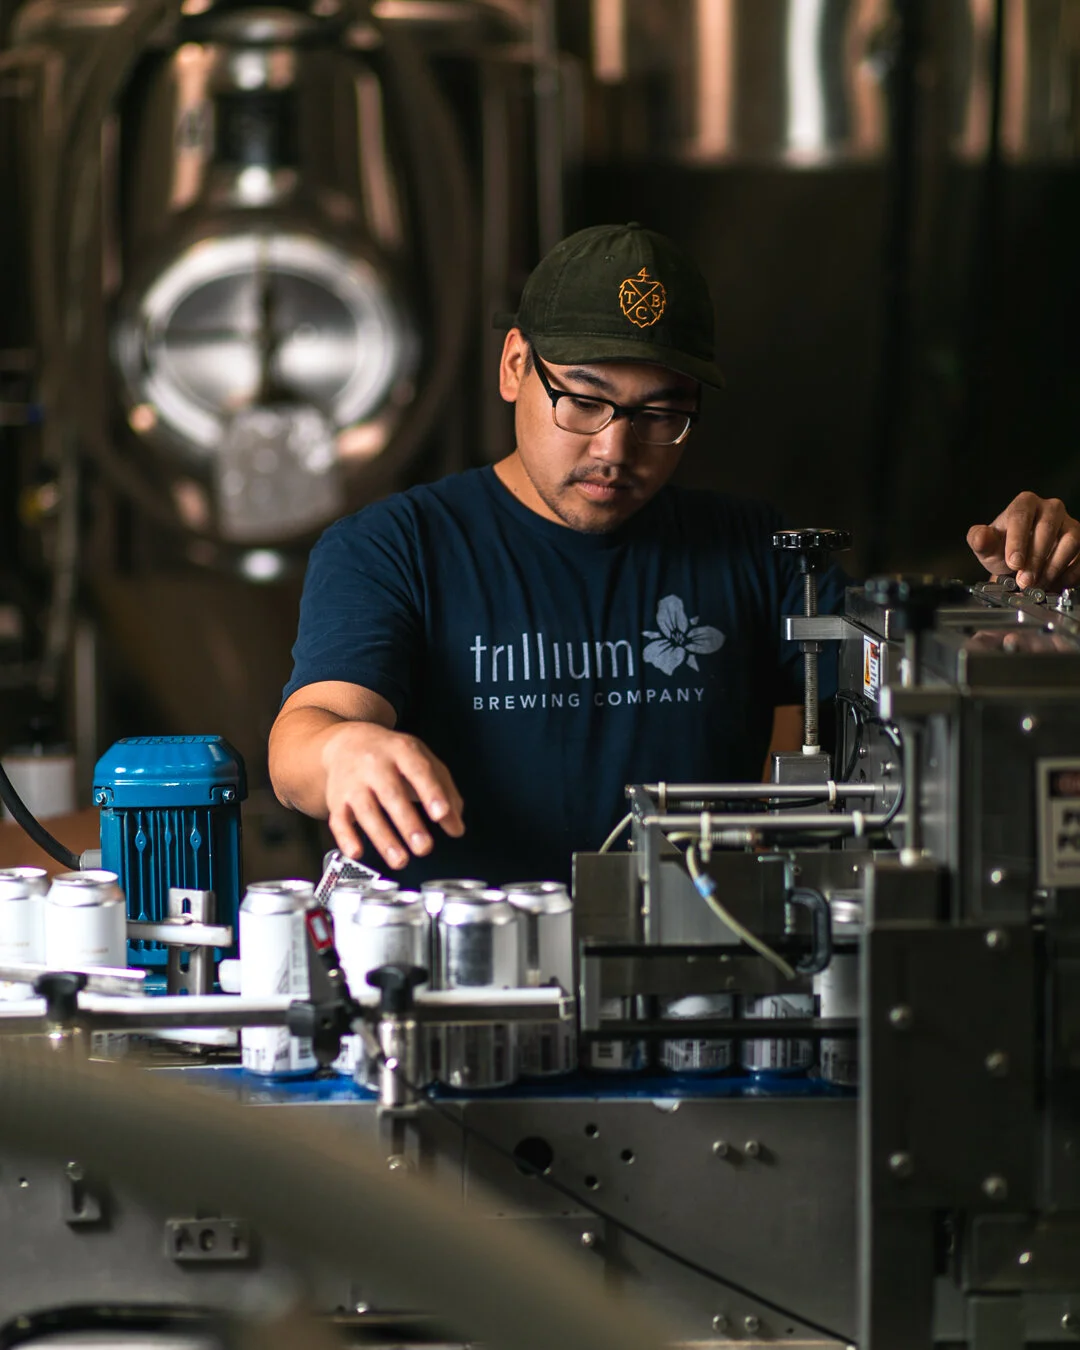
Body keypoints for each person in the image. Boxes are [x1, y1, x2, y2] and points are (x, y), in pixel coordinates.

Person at [269, 223, 1080, 885]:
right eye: (584, 400)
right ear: (516, 366)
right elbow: (305, 738)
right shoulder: (397, 547)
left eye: (661, 413)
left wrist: (1025, 595)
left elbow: (916, 687)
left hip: (707, 978)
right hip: (468, 978)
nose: (617, 448)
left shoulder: (754, 554)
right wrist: (344, 750)